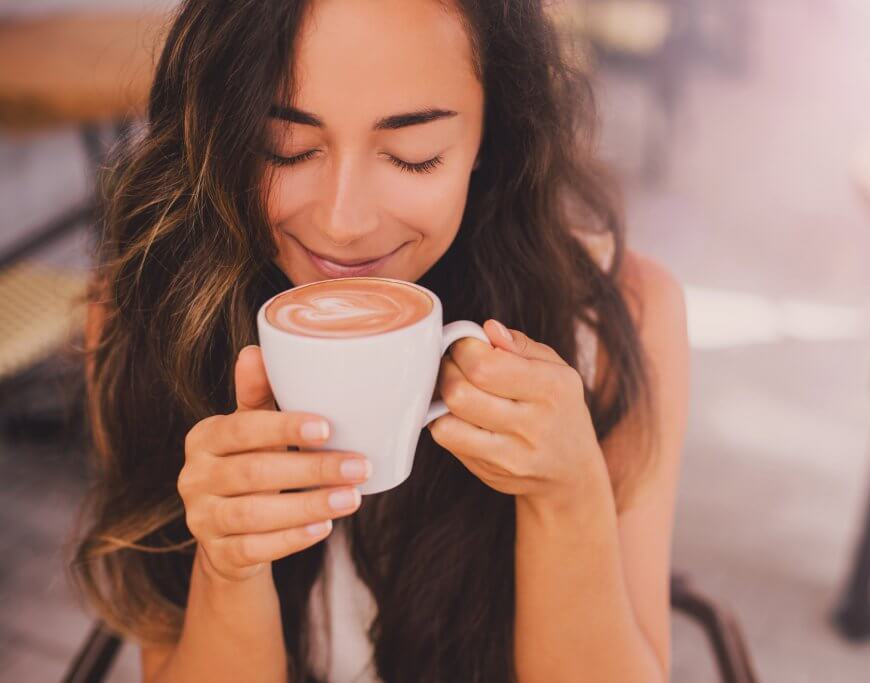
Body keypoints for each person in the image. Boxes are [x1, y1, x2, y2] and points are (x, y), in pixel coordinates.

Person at [71, 1, 689, 681]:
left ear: (492, 135)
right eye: (286, 148)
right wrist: (229, 565)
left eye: (412, 156)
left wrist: (568, 497)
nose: (343, 222)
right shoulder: (157, 315)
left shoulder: (617, 320)